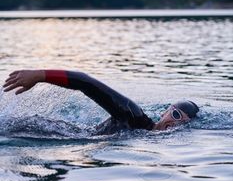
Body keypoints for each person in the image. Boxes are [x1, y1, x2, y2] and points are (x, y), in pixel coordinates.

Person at [3, 69, 199, 135]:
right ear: (165, 112)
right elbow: (86, 83)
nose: (174, 122)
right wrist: (40, 75)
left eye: (182, 121)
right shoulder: (135, 116)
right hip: (56, 132)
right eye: (174, 115)